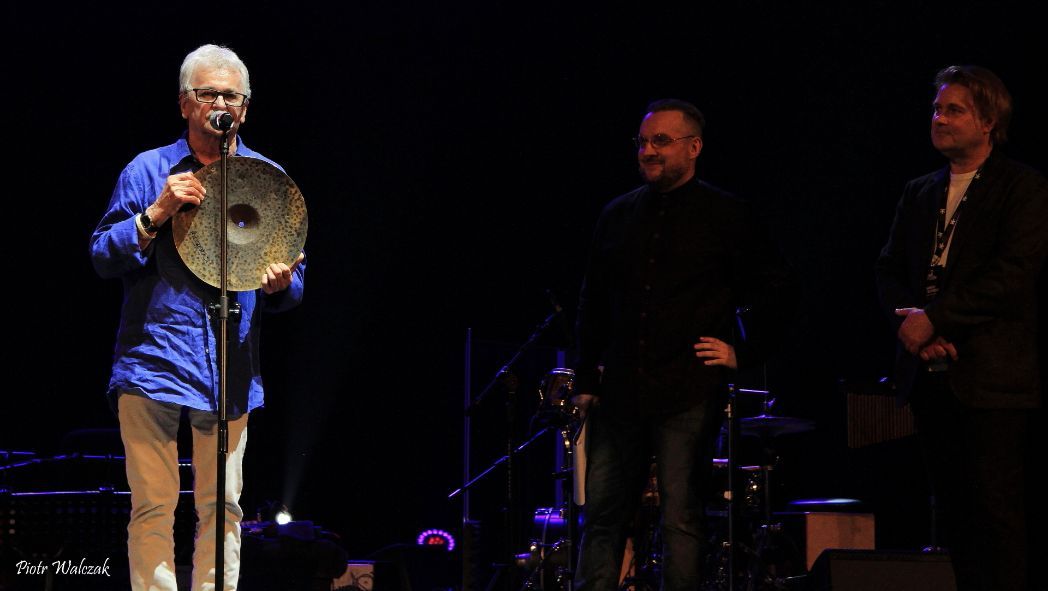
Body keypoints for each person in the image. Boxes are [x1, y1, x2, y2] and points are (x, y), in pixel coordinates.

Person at [90, 44, 306, 591]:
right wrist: (155, 213)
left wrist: (282, 283)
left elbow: (294, 280)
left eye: (231, 96)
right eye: (207, 94)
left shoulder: (267, 178)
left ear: (245, 109)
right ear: (185, 104)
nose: (220, 104)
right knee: (153, 503)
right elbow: (102, 255)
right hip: (151, 361)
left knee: (224, 505)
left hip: (230, 366)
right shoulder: (149, 170)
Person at [572, 99, 792, 590]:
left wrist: (743, 352)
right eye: (642, 142)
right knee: (603, 516)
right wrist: (586, 376)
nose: (648, 151)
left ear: (694, 148)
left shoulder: (726, 214)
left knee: (681, 517)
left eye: (661, 141)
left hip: (687, 390)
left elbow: (777, 289)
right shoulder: (618, 214)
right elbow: (593, 301)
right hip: (621, 390)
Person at [876, 65, 1048, 591]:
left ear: (989, 121)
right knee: (953, 514)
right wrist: (915, 327)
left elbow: (1012, 274)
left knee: (995, 513)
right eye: (937, 109)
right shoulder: (919, 191)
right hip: (931, 376)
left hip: (991, 377)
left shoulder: (1022, 186)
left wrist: (936, 320)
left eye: (954, 110)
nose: (940, 118)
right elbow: (889, 269)